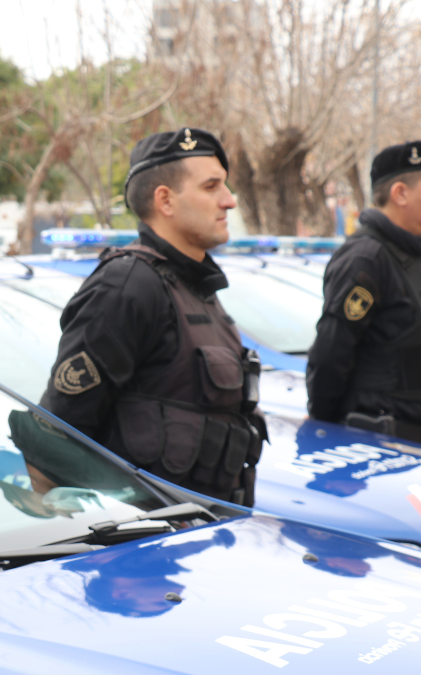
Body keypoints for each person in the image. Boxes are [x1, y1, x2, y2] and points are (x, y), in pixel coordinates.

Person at [39, 128, 265, 507]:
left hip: (204, 535)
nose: (229, 201)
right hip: (142, 548)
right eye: (212, 187)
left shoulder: (196, 287)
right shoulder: (129, 286)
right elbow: (55, 440)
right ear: (166, 200)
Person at [306, 141, 421, 445]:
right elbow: (331, 353)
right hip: (375, 444)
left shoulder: (416, 255)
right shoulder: (367, 258)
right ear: (400, 193)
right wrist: (324, 434)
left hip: (416, 444)